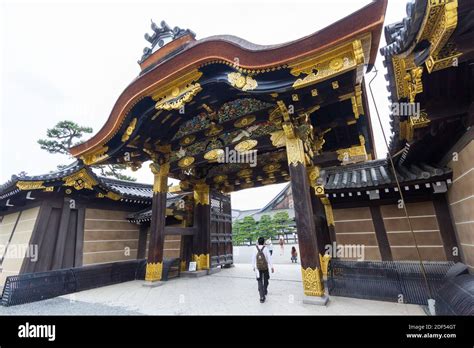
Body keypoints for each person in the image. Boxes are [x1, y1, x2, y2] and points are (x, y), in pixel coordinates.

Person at [252, 237, 274, 303]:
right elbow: (269, 258)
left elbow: (253, 258)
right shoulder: (266, 249)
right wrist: (272, 267)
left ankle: (262, 297)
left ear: (258, 242)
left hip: (257, 268)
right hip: (265, 267)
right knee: (266, 279)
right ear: (264, 242)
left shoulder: (255, 249)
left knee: (259, 281)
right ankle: (265, 290)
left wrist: (253, 266)